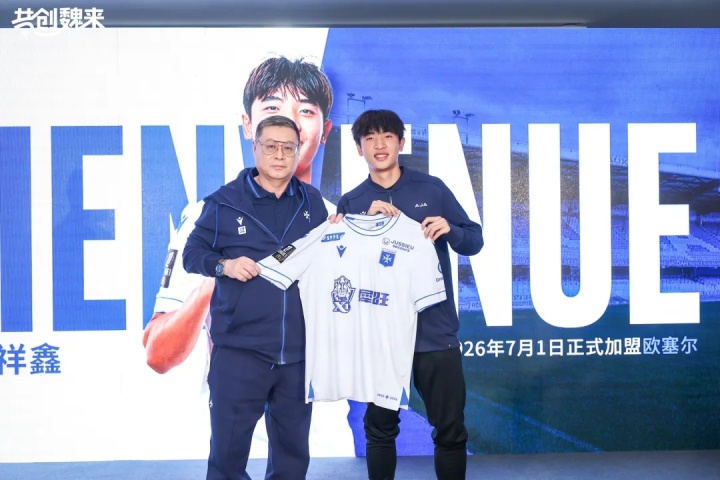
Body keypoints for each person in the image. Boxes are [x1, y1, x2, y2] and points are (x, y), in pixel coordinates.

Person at [335, 109, 484, 480]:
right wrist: (362, 228)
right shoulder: (352, 202)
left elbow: (474, 241)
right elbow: (343, 273)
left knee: (450, 430)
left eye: (388, 136)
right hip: (381, 338)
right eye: (370, 138)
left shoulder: (432, 189)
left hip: (435, 331)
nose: (379, 144)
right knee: (379, 430)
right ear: (358, 148)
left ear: (401, 143)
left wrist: (450, 229)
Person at [183, 115, 328, 479]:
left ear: (298, 151)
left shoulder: (313, 202)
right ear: (255, 147)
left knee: (292, 460)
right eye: (271, 146)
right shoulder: (224, 203)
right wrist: (224, 265)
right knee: (227, 460)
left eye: (288, 148)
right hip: (240, 352)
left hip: (298, 355)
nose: (280, 155)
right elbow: (191, 255)